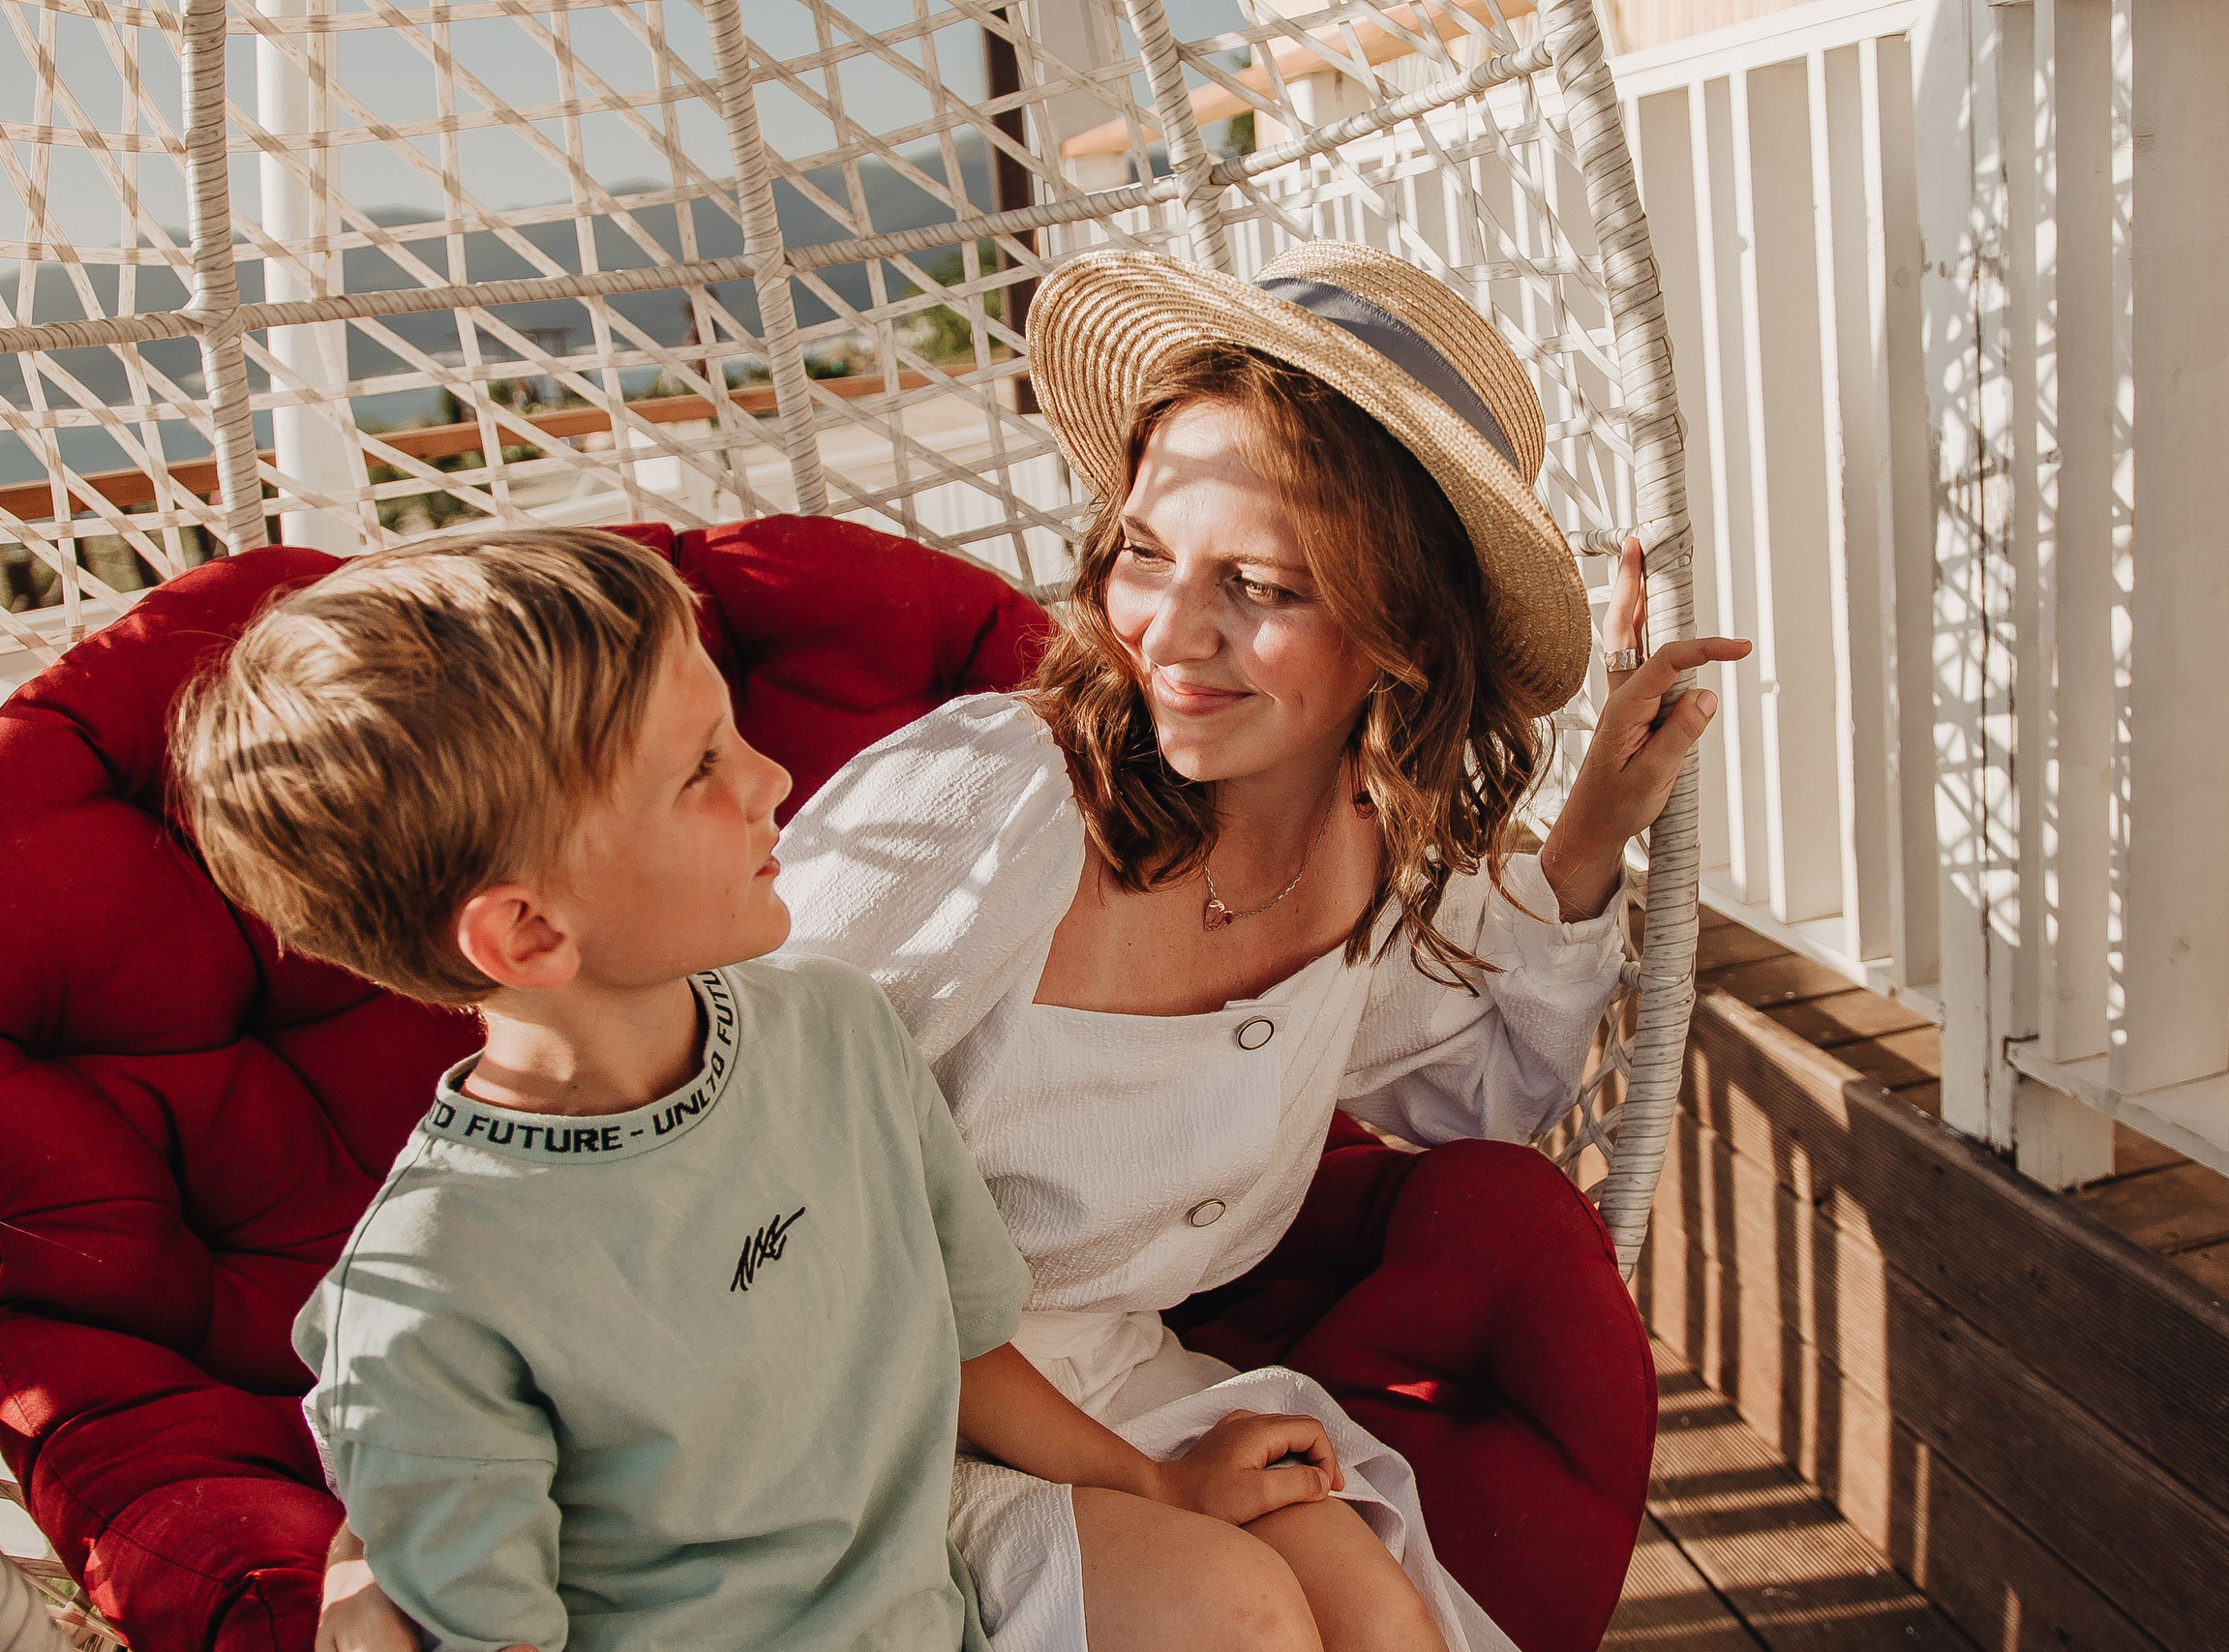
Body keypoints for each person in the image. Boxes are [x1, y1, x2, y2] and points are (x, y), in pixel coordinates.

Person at [765, 242, 1752, 1652]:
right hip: (837, 1400)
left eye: (1263, 588)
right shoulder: (992, 802)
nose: (1170, 635)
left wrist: (1592, 827)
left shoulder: (1359, 849)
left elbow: (1473, 1093)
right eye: (1145, 555)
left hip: (1104, 1385)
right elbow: (720, 1128)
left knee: (1382, 1623)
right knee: (1243, 1615)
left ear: (1403, 631)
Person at [178, 528, 1352, 1652]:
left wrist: (1153, 1483)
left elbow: (952, 1337)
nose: (771, 777)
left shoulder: (836, 1033)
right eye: (698, 769)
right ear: (528, 932)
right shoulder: (437, 1286)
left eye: (728, 732)